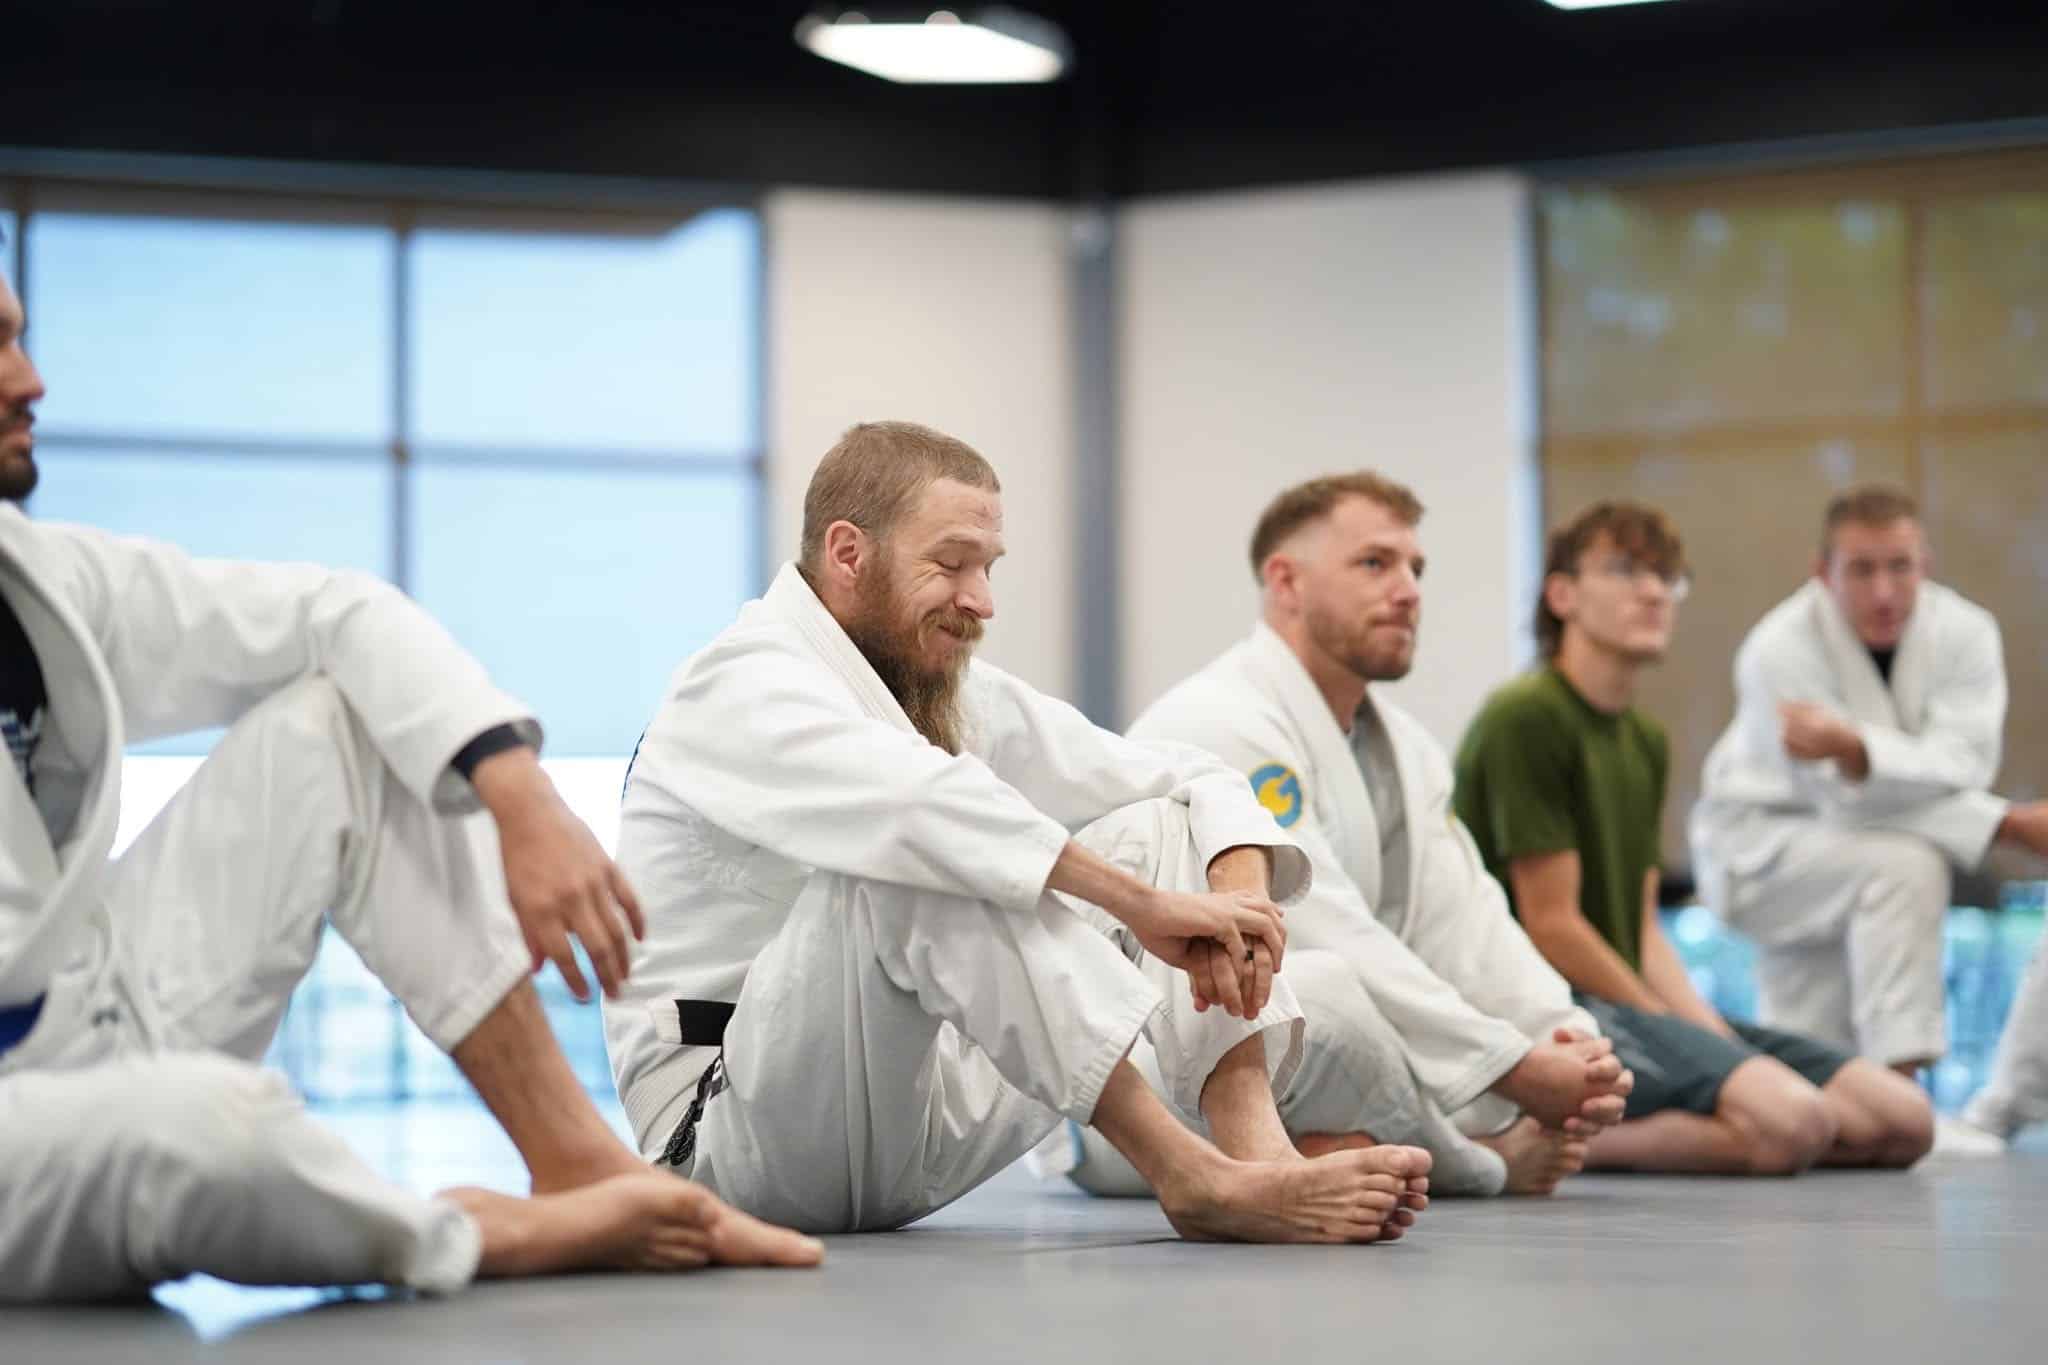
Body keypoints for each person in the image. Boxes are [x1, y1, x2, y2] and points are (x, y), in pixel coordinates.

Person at [0, 260, 819, 1302]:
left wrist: (521, 797)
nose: (30, 380)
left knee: (339, 722)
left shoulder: (36, 577)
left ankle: (573, 1157)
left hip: (84, 1013)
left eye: (21, 336)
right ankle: (466, 1236)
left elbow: (338, 610)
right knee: (213, 1131)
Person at [604, 421, 1432, 1244]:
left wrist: (1236, 903)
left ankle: (1256, 1152)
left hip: (903, 1122)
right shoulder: (738, 681)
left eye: (988, 568)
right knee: (916, 854)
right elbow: (916, 807)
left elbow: (1192, 776)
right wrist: (1142, 906)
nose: (982, 600)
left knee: (1158, 824)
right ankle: (1186, 1169)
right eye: (952, 562)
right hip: (728, 1137)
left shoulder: (942, 690)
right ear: (849, 552)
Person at [1045, 473, 1630, 1200]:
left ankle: (1336, 1147)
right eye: (1375, 563)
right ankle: (1481, 1163)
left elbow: (1468, 917)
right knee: (1331, 987)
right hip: (1152, 1075)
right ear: (1285, 581)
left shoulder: (1405, 749)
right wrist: (1511, 1067)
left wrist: (1557, 1034)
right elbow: (1326, 932)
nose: (1410, 589)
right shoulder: (1218, 718)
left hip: (1289, 1064)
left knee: (1359, 1014)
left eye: (1416, 568)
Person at [1454, 500, 1933, 1175]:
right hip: (1554, 1009)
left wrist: (1704, 1030)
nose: (1654, 591)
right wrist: (1675, 1030)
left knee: (1903, 1119)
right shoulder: (1526, 717)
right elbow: (1553, 926)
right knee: (1793, 1124)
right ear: (1562, 594)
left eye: (1667, 576)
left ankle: (1703, 1095)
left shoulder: (1643, 738)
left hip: (1624, 1003)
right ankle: (1538, 1141)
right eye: (1625, 571)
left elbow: (1643, 930)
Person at [1691, 484, 2048, 1083]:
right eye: (1860, 570)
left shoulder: (1967, 633)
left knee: (1812, 1071)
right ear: (1821, 573)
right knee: (1903, 867)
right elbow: (1840, 802)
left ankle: (1848, 1115)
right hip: (1759, 852)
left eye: (1899, 567)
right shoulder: (1776, 650)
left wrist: (1855, 750)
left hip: (1840, 856)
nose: (1883, 592)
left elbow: (1964, 764)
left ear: (1926, 565)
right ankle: (1901, 1086)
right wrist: (2006, 826)